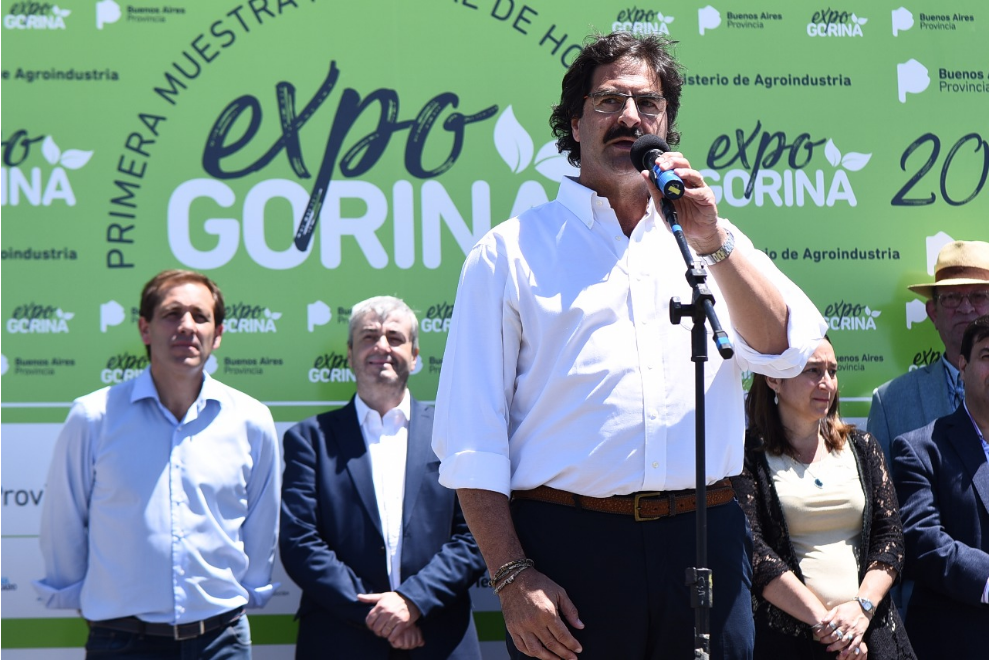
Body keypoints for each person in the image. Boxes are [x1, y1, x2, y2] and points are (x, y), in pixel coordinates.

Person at [431, 32, 826, 660]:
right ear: (574, 122)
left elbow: (783, 350)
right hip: (570, 549)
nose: (631, 118)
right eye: (609, 101)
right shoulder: (508, 253)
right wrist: (511, 577)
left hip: (706, 539)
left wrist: (712, 241)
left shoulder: (709, 240)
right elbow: (471, 440)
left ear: (666, 125)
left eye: (649, 104)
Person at [34, 269, 281, 659]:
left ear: (217, 334)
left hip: (222, 641)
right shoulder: (94, 416)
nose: (187, 326)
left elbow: (262, 523)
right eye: (172, 314)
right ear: (145, 329)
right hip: (122, 642)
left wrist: (247, 590)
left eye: (200, 316)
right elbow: (63, 521)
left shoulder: (251, 419)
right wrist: (90, 601)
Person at [279, 296, 486, 660]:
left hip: (439, 638)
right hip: (340, 641)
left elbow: (476, 534)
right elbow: (300, 542)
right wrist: (380, 615)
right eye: (369, 336)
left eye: (394, 337)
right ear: (350, 354)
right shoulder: (310, 440)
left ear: (415, 355)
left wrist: (413, 601)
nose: (382, 346)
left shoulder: (452, 434)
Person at [730, 337, 915, 659]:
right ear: (774, 378)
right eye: (813, 371)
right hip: (789, 644)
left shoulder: (864, 448)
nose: (827, 383)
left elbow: (890, 539)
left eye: (832, 371)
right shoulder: (746, 457)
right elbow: (754, 550)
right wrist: (832, 629)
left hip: (870, 637)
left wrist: (862, 609)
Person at [890, 315, 989, 660]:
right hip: (955, 644)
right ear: (962, 365)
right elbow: (922, 541)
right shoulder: (919, 449)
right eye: (987, 355)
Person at [868, 240, 989, 460]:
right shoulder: (890, 402)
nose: (965, 308)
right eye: (952, 297)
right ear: (933, 313)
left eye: (979, 296)